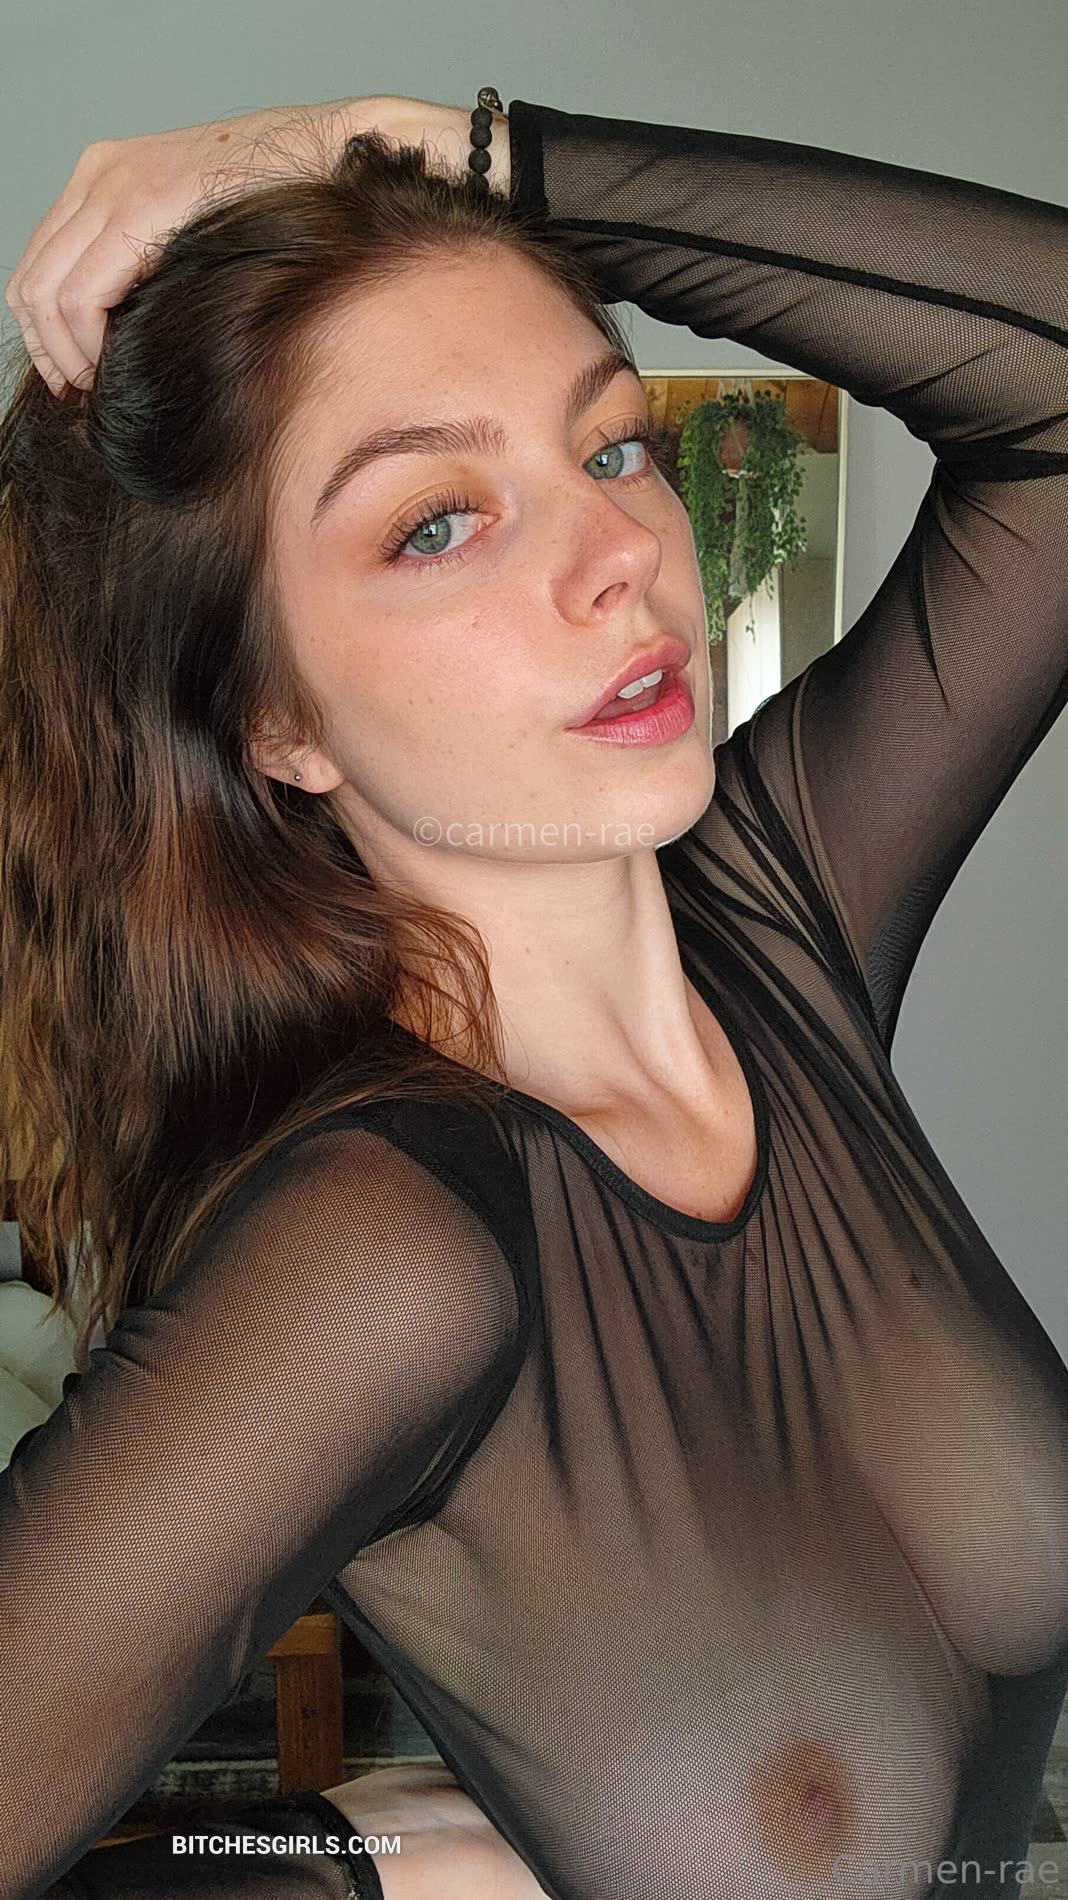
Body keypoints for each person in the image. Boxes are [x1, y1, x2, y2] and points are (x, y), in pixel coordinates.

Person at [1, 83, 1067, 1900]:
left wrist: (431, 147)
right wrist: (331, 1859)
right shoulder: (386, 1247)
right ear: (276, 722)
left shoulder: (782, 923)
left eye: (611, 447)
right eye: (436, 524)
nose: (618, 557)